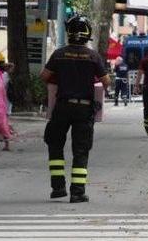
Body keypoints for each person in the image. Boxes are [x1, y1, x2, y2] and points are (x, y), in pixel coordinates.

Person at [40, 15, 110, 203]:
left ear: (69, 32)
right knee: (81, 150)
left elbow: (44, 76)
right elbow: (106, 82)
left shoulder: (59, 54)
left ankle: (58, 187)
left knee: (54, 144)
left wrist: (61, 78)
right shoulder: (93, 56)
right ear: (88, 34)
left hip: (62, 107)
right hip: (84, 109)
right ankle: (77, 192)